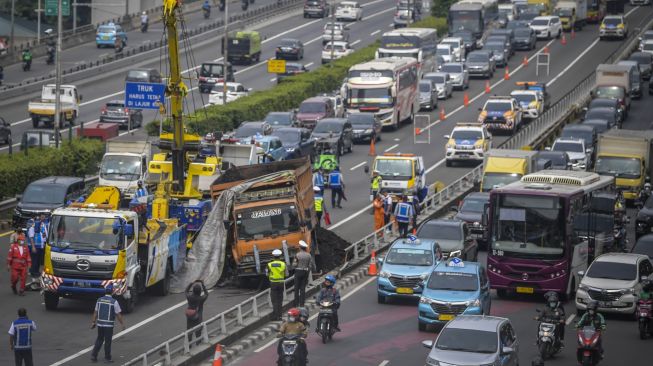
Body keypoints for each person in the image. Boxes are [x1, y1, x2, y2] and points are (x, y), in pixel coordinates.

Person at [91, 284, 126, 363]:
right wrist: (122, 324)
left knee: (99, 339)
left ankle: (94, 355)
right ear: (112, 291)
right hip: (108, 325)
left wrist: (93, 322)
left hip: (100, 324)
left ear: (105, 291)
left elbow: (95, 312)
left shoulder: (99, 300)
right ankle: (107, 358)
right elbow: (118, 314)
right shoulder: (114, 302)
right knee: (107, 341)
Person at [185, 280, 208, 346]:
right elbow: (206, 294)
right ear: (200, 291)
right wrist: (203, 285)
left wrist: (191, 283)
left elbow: (186, 291)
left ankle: (189, 346)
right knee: (198, 334)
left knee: (189, 332)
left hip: (189, 318)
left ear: (193, 291)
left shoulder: (189, 297)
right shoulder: (201, 299)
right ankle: (198, 345)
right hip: (198, 318)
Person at [267, 249, 288, 321]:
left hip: (273, 283)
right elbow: (287, 274)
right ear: (280, 256)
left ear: (273, 256)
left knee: (274, 300)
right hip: (281, 283)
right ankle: (280, 316)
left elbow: (267, 274)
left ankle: (275, 316)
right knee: (280, 300)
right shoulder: (283, 264)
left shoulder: (269, 264)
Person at [293, 240, 315, 307]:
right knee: (303, 289)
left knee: (296, 288)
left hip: (298, 271)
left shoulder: (297, 255)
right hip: (305, 272)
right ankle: (302, 304)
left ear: (300, 247)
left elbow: (294, 264)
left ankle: (296, 303)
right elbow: (310, 265)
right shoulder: (308, 255)